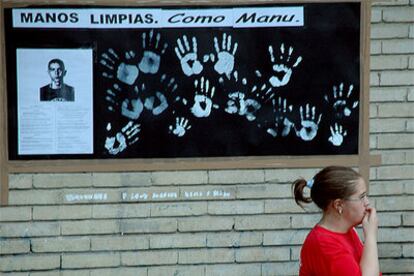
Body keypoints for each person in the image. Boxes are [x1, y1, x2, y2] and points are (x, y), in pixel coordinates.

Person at [292, 166, 381, 276]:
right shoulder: (324, 244)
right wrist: (371, 236)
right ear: (339, 205)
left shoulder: (348, 231)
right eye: (361, 197)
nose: (367, 202)